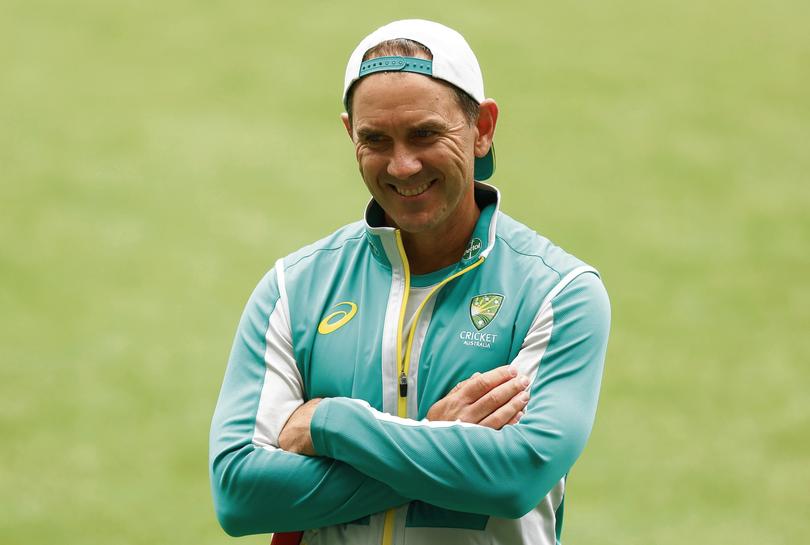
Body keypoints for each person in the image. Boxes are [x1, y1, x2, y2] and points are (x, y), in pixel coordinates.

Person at [209, 19, 610, 545]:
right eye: (375, 139)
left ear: (482, 127)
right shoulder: (294, 288)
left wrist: (331, 424)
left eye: (425, 134)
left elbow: (513, 478)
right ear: (350, 133)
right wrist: (440, 437)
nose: (402, 165)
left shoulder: (559, 293)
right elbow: (240, 495)